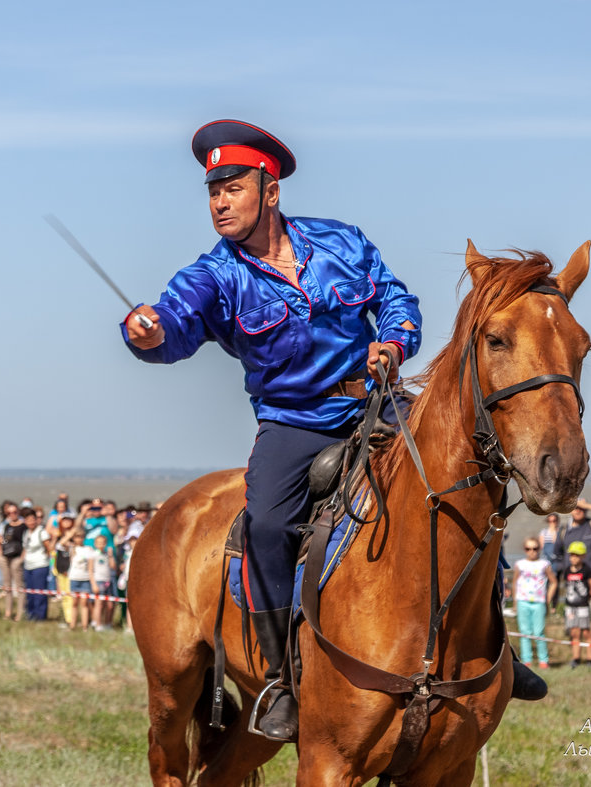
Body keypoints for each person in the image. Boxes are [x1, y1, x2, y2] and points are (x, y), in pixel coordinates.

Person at [122, 118, 430, 739]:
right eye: (212, 191)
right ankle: (281, 681)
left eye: (232, 187)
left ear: (270, 189)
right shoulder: (215, 274)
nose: (219, 202)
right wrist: (148, 333)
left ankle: (498, 650)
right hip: (296, 423)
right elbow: (176, 322)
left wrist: (394, 344)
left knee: (463, 477)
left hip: (380, 404)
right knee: (265, 524)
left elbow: (398, 301)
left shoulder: (343, 242)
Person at [511, 538, 556, 669]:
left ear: (539, 549)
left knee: (539, 632)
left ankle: (543, 660)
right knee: (524, 632)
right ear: (525, 550)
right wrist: (515, 602)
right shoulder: (520, 564)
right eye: (528, 549)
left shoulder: (544, 564)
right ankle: (526, 661)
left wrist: (548, 598)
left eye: (535, 548)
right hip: (523, 601)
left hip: (539, 602)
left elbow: (553, 581)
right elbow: (514, 582)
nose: (532, 552)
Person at [560, 542, 591, 667]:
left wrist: (585, 599)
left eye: (577, 555)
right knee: (574, 632)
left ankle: (590, 659)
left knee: (586, 632)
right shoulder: (567, 571)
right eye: (572, 555)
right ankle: (576, 658)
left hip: (583, 606)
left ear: (583, 556)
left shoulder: (587, 570)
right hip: (570, 607)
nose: (573, 558)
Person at [21, 509, 53, 621]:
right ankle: (30, 614)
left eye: (32, 519)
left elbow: (49, 548)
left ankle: (40, 616)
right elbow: (25, 549)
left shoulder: (42, 532)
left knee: (39, 592)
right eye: (28, 520)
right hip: (28, 566)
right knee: (29, 592)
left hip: (40, 565)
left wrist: (47, 560)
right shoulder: (26, 533)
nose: (30, 522)